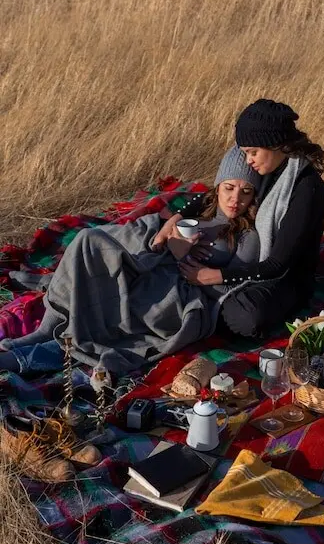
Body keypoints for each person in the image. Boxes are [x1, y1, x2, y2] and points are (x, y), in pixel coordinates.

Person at [0, 147, 261, 375]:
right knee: (89, 241)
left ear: (253, 195)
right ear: (218, 186)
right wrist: (170, 243)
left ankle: (32, 356)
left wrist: (197, 271)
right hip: (158, 263)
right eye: (229, 188)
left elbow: (234, 288)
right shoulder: (203, 206)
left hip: (183, 295)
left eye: (246, 191)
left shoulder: (247, 236)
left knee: (118, 300)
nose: (235, 199)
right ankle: (49, 327)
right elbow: (167, 231)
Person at [179, 99, 324, 337]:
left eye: (253, 152)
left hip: (285, 280)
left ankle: (200, 303)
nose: (249, 160)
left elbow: (277, 265)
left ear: (276, 144)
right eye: (245, 153)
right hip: (251, 263)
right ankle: (200, 303)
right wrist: (177, 217)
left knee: (248, 316)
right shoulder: (270, 167)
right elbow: (217, 190)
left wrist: (214, 276)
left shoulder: (306, 189)